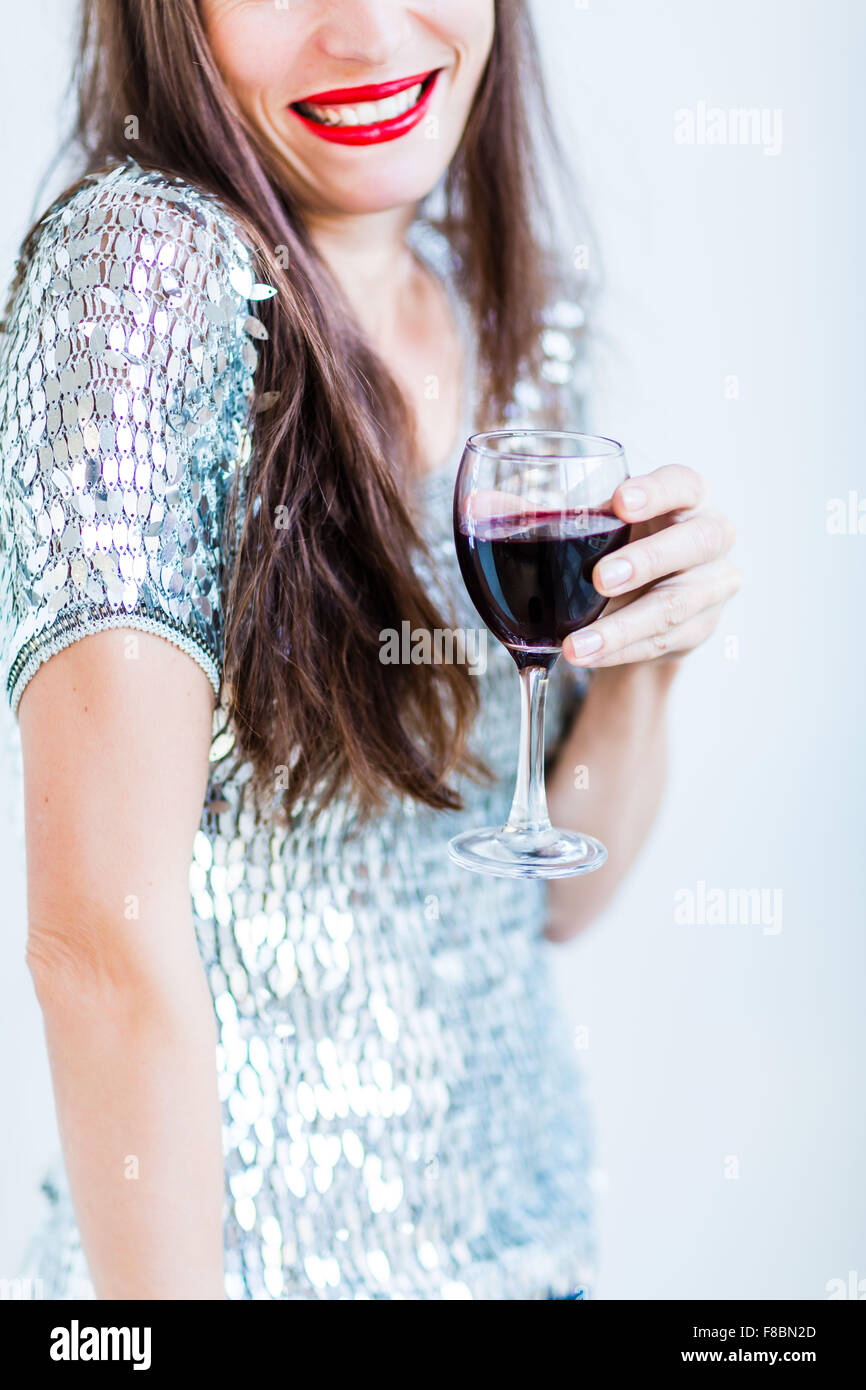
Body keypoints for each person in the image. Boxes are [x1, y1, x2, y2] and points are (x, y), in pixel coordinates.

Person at [0, 0, 740, 1300]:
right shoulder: (140, 276)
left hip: (535, 1256)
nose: (365, 32)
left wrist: (641, 671)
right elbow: (97, 943)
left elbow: (552, 895)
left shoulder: (505, 308)